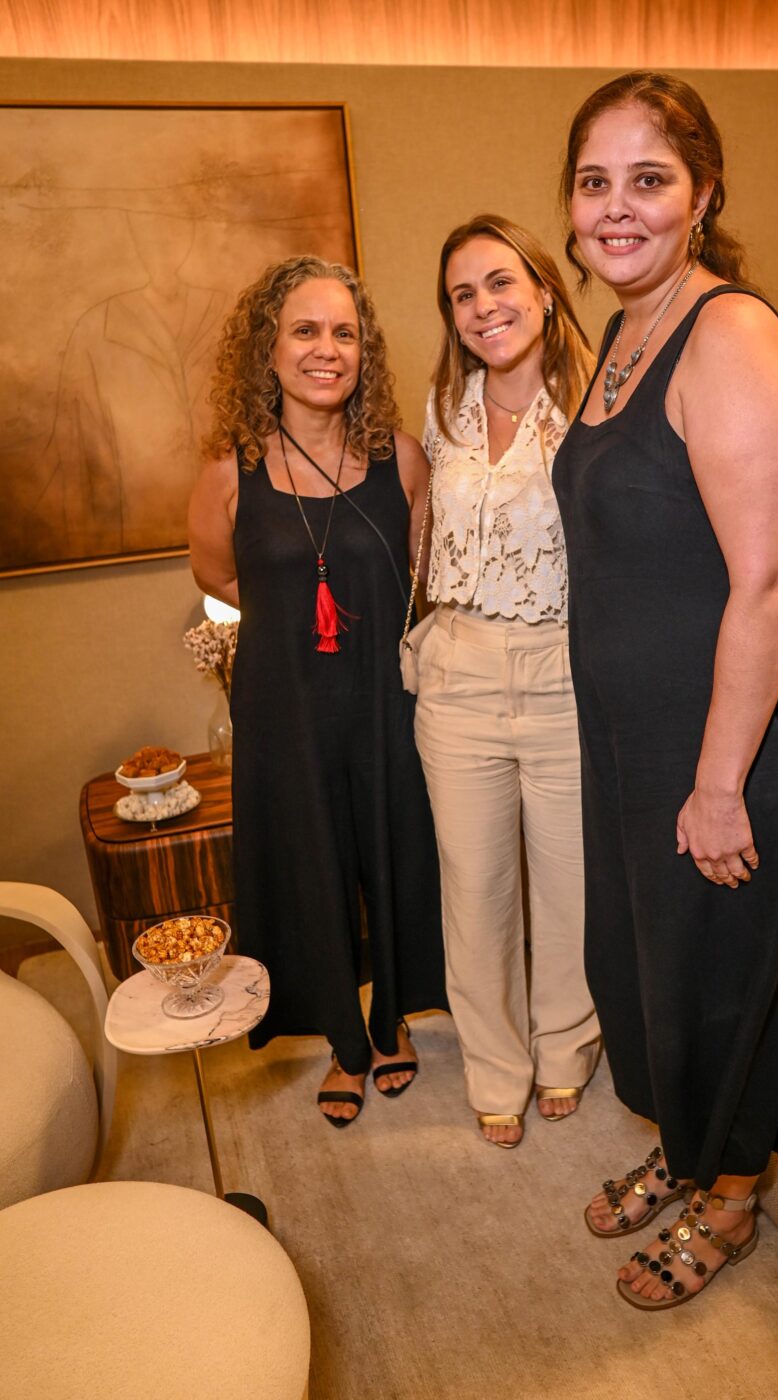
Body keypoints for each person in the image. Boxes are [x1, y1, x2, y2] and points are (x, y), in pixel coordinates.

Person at [550, 72, 778, 1306]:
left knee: (722, 966)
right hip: (644, 730)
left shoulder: (727, 331)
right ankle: (685, 1149)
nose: (616, 208)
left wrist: (720, 780)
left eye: (648, 178)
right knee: (648, 961)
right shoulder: (620, 333)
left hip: (747, 736)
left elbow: (774, 579)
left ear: (701, 193)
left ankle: (727, 1201)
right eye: (592, 181)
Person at [188, 255, 447, 1127]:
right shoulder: (231, 470)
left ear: (363, 350)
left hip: (387, 700)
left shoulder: (401, 460)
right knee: (309, 865)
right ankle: (342, 1036)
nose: (325, 350)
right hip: (284, 707)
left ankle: (392, 1021)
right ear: (267, 348)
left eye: (344, 332)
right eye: (304, 330)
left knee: (398, 851)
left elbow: (420, 575)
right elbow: (221, 577)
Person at [414, 214, 600, 1148]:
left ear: (542, 288)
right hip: (459, 676)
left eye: (499, 282)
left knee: (569, 886)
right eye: (462, 294)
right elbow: (422, 535)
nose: (483, 306)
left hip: (567, 671)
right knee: (476, 888)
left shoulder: (602, 402)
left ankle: (567, 1043)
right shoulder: (441, 412)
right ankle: (496, 1065)